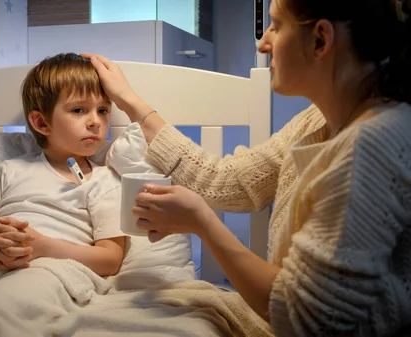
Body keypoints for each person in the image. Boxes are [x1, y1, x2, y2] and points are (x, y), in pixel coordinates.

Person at [82, 0, 411, 335]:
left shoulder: (370, 147)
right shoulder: (315, 121)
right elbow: (228, 182)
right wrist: (131, 102)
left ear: (320, 39)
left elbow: (307, 320)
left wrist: (203, 223)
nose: (262, 43)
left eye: (276, 26)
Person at [0, 52, 126, 277]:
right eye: (78, 110)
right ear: (42, 122)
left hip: (55, 271)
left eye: (102, 110)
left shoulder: (105, 182)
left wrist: (43, 247)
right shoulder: (9, 171)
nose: (95, 122)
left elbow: (110, 260)